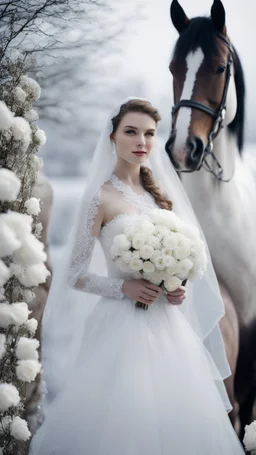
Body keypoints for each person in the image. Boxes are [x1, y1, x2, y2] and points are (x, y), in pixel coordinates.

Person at [29, 98, 245, 454]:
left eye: (149, 133)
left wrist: (178, 289)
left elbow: (177, 263)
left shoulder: (160, 198)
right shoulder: (100, 199)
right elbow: (75, 275)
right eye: (131, 132)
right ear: (113, 136)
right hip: (121, 329)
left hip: (170, 327)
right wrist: (123, 287)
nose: (141, 141)